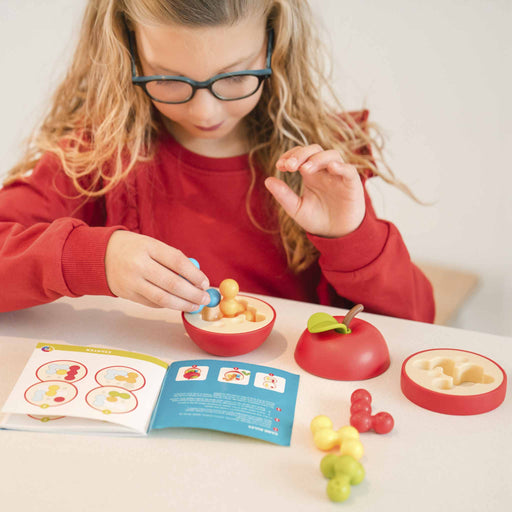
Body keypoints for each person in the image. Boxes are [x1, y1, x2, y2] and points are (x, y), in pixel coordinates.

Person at [0, 0, 435, 322]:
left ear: (274, 46)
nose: (205, 113)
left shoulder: (321, 163)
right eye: (169, 79)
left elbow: (417, 324)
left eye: (236, 76)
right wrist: (96, 260)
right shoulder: (99, 154)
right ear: (128, 52)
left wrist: (352, 236)